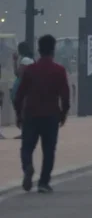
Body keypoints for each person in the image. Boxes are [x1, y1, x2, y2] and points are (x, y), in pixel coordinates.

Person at [14, 35, 70, 193]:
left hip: (31, 113)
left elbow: (20, 95)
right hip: (51, 114)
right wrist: (63, 113)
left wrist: (19, 114)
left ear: (39, 50)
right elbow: (65, 95)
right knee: (49, 150)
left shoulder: (30, 70)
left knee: (27, 147)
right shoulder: (59, 70)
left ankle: (27, 168)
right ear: (53, 50)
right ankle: (43, 182)